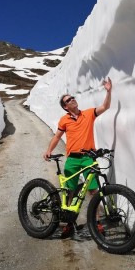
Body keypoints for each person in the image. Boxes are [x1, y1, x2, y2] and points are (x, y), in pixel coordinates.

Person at [43, 77, 112, 238]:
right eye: (69, 100)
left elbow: (105, 106)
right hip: (72, 160)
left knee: (93, 191)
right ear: (66, 107)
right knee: (69, 192)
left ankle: (96, 223)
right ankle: (68, 224)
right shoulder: (64, 120)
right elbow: (57, 136)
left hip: (88, 158)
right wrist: (49, 150)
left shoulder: (88, 114)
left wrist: (108, 91)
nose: (73, 100)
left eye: (73, 97)